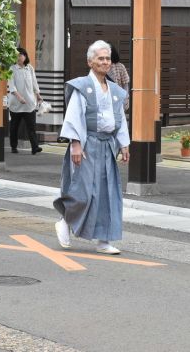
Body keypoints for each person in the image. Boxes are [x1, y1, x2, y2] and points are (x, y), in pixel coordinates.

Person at [53, 40, 130, 255]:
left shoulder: (115, 90)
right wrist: (75, 144)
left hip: (107, 145)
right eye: (100, 58)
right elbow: (74, 116)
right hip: (86, 144)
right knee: (83, 191)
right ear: (90, 62)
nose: (105, 62)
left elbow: (120, 119)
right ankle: (65, 220)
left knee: (108, 194)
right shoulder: (82, 86)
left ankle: (104, 239)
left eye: (107, 58)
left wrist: (124, 144)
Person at [7, 46, 43, 154]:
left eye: (20, 55)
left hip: (29, 103)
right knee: (14, 127)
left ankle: (35, 147)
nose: (19, 57)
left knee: (31, 127)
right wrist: (19, 97)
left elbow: (34, 83)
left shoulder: (30, 68)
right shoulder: (12, 69)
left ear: (25, 56)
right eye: (17, 55)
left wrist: (38, 94)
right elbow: (12, 87)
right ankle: (14, 146)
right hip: (16, 104)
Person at [106, 44, 130, 111]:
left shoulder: (120, 66)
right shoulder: (99, 67)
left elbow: (125, 84)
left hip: (118, 100)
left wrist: (125, 98)